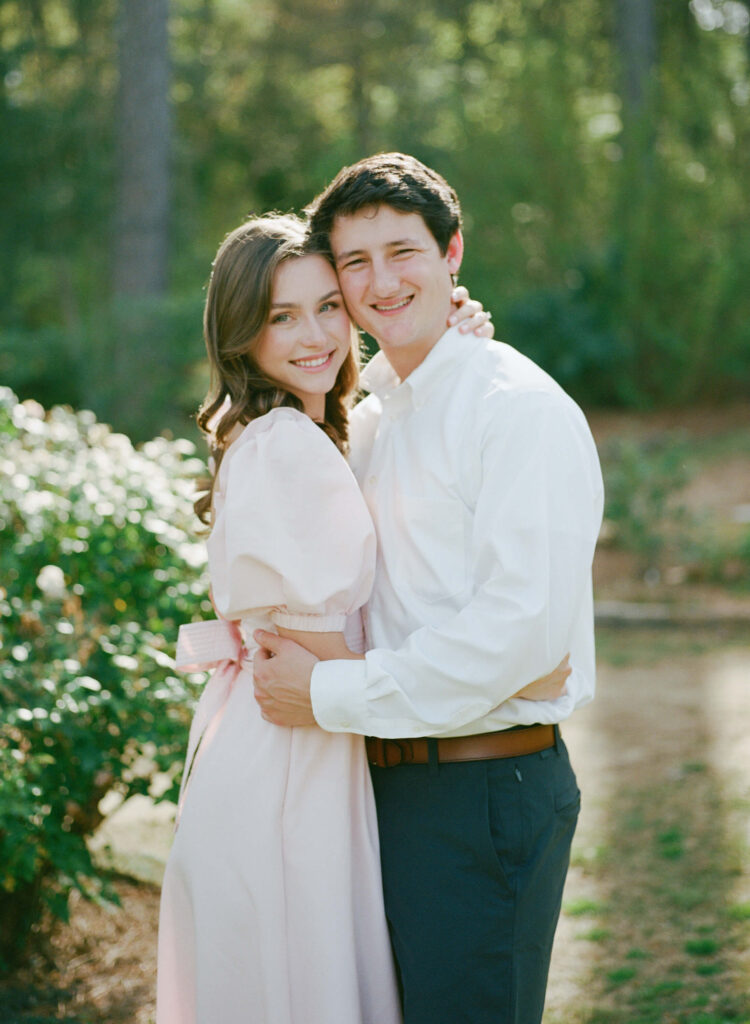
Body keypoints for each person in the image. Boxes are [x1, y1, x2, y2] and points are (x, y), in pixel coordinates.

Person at [253, 153, 605, 1024]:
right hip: (380, 786)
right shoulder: (369, 420)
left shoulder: (514, 408)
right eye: (355, 262)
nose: (381, 281)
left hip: (483, 795)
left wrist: (329, 690)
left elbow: (521, 636)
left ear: (452, 255)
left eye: (403, 251)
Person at [155, 211, 509, 1024]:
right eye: (282, 316)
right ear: (241, 333)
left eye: (327, 308)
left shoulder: (286, 428)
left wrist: (437, 344)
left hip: (275, 741)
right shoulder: (288, 443)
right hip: (297, 753)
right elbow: (319, 657)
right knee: (301, 984)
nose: (314, 334)